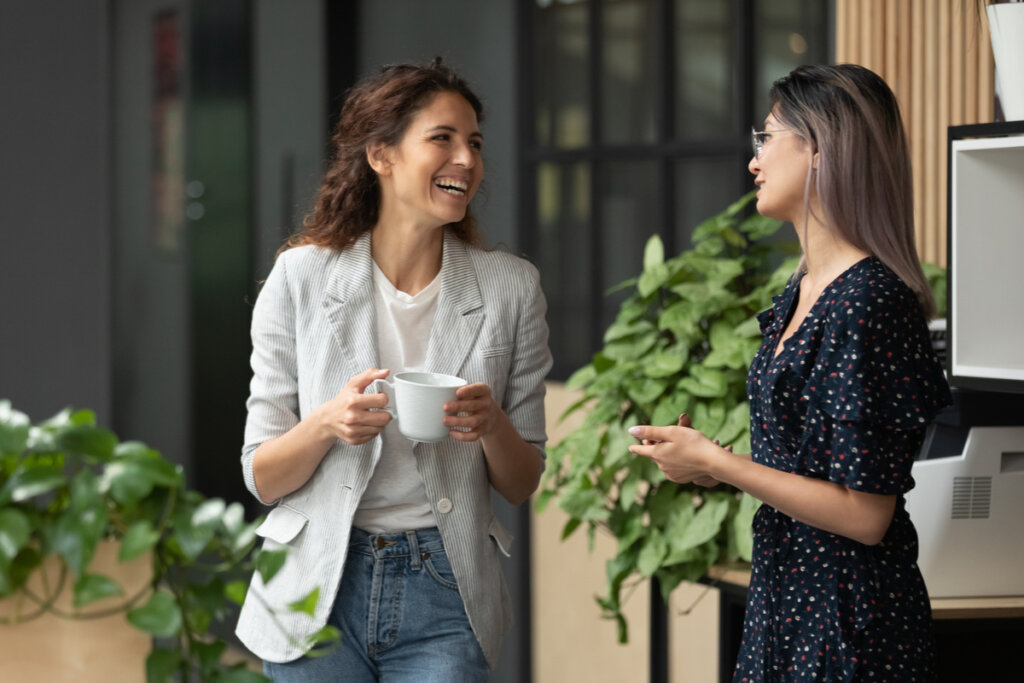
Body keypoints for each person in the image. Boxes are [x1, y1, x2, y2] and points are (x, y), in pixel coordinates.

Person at [628, 64, 951, 681]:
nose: (754, 161)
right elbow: (809, 472)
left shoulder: (868, 301)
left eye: (768, 138)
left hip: (850, 621)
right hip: (788, 598)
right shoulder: (802, 288)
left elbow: (864, 514)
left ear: (822, 151)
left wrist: (721, 464)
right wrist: (707, 465)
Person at [234, 59, 551, 682]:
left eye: (475, 143)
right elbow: (262, 475)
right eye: (443, 139)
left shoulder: (512, 288)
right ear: (381, 155)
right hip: (315, 584)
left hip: (446, 587)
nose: (466, 158)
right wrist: (328, 423)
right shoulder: (301, 278)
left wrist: (491, 425)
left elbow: (522, 481)